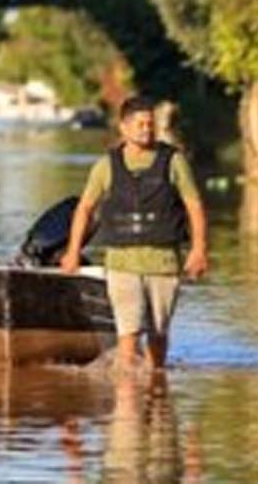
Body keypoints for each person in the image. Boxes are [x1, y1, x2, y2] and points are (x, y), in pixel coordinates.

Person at [60, 96, 207, 371]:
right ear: (123, 128)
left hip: (163, 264)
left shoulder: (174, 162)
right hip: (121, 264)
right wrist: (72, 253)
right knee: (127, 337)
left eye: (150, 124)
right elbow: (85, 209)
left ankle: (155, 394)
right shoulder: (106, 166)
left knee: (157, 337)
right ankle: (128, 407)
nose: (146, 130)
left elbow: (194, 206)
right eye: (139, 124)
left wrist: (199, 250)